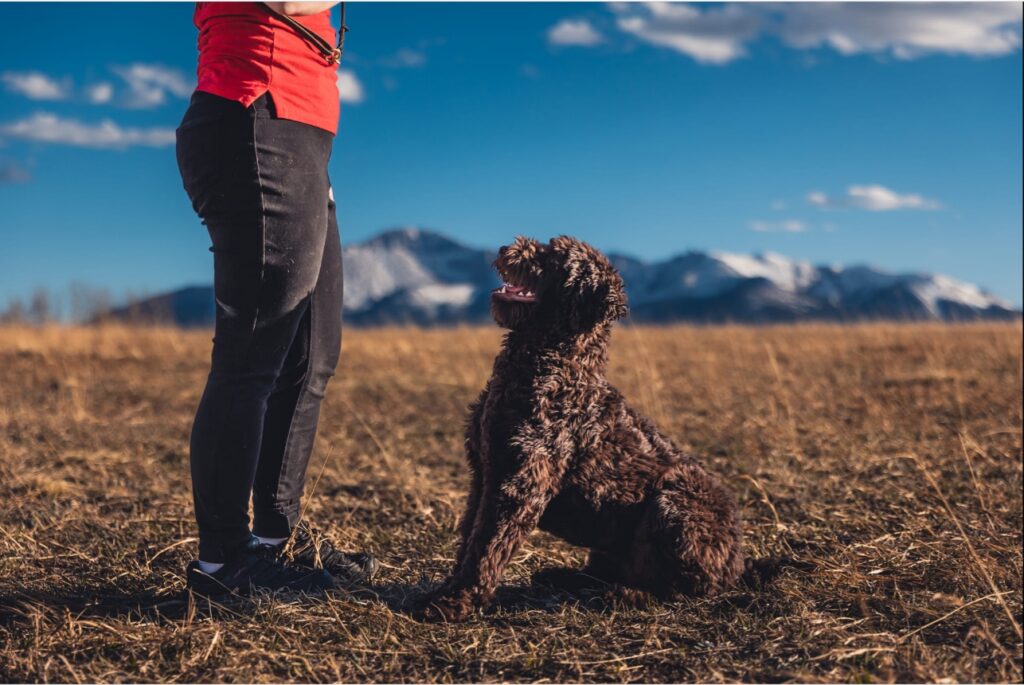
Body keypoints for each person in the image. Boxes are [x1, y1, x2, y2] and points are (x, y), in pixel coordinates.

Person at [175, 1, 374, 595]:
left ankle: (271, 541)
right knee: (252, 356)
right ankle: (223, 562)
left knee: (313, 353)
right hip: (255, 114)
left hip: (301, 134)